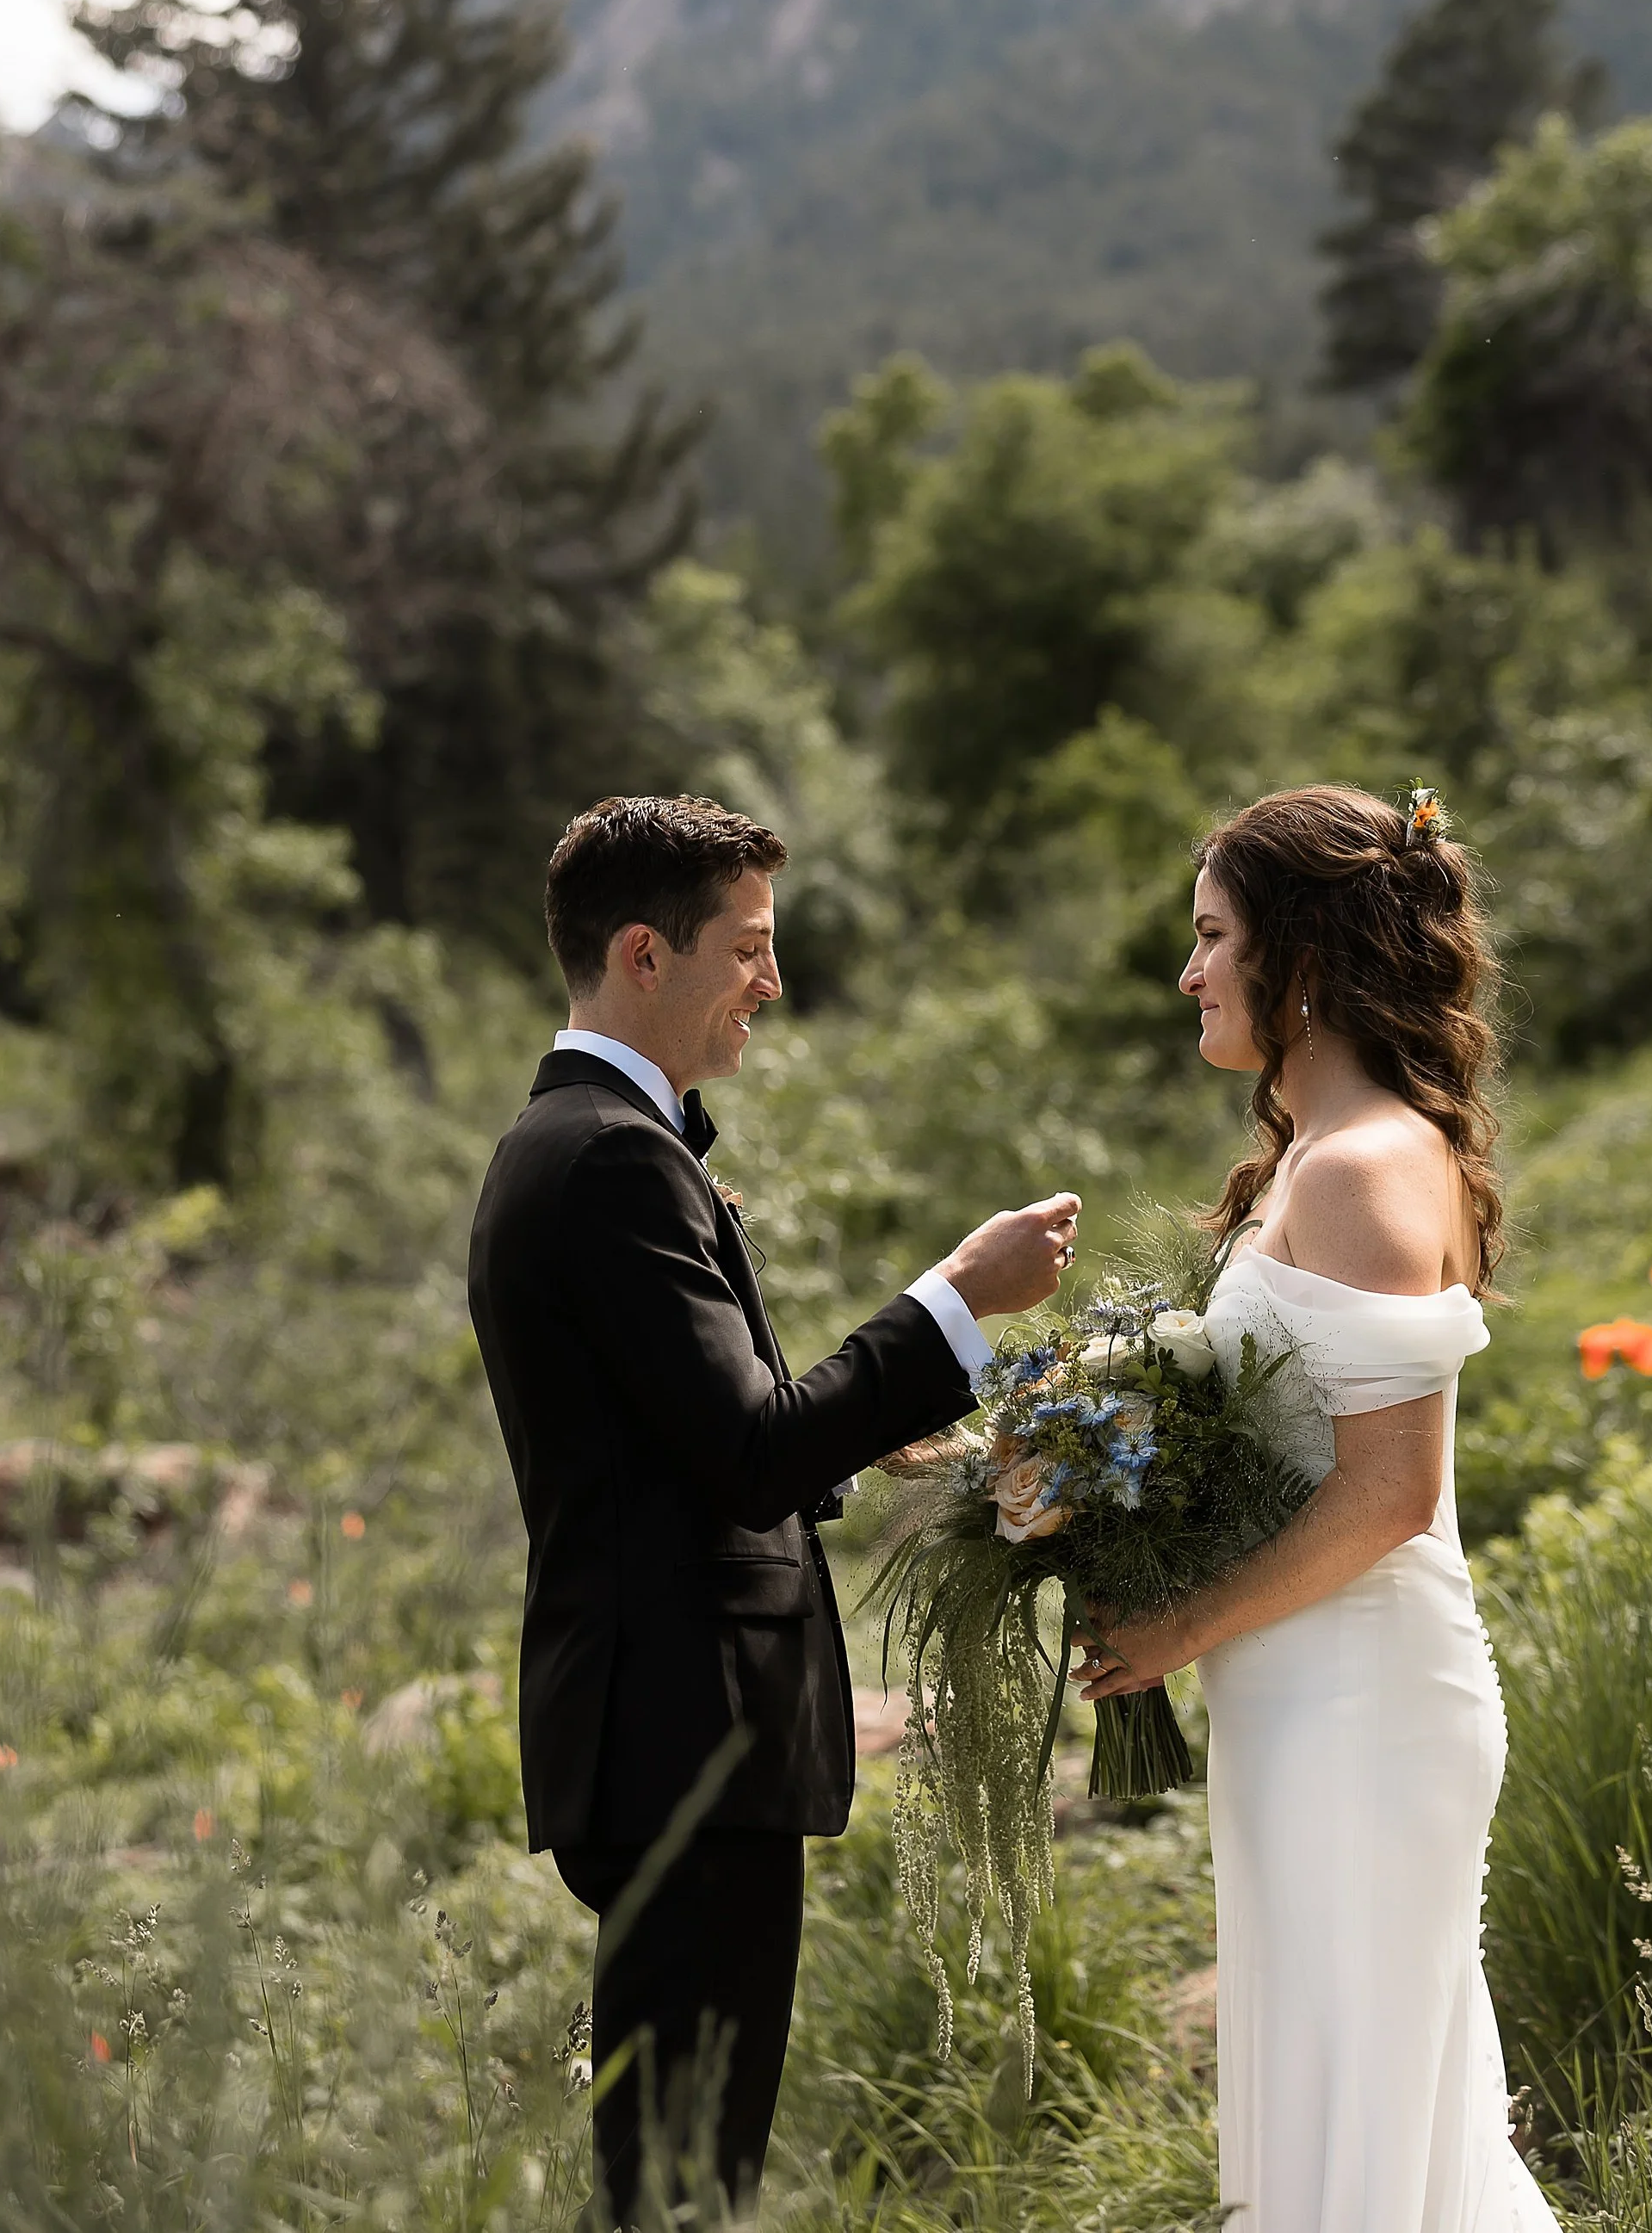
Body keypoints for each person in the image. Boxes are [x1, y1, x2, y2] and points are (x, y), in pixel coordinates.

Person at [467, 794, 1079, 2226]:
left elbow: (693, 1448)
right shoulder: (612, 1157)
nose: (772, 981)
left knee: (681, 2164)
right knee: (683, 2180)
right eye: (747, 947)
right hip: (686, 1729)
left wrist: (870, 1455)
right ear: (641, 954)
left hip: (666, 1726)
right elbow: (747, 1450)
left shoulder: (588, 1140)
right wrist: (956, 1300)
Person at [1073, 784, 1555, 2233]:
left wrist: (1173, 1622)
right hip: (1303, 1706)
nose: (1191, 970)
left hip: (1364, 1711)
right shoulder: (1314, 1154)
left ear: (1302, 956)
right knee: (1348, 2118)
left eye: (1215, 934)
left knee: (1366, 2132)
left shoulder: (1359, 1167)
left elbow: (1392, 1489)